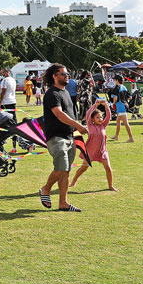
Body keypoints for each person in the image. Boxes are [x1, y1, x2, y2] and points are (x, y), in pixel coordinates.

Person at [39, 63, 88, 212]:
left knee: (66, 171)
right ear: (55, 76)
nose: (67, 77)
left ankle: (63, 203)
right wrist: (78, 125)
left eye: (67, 74)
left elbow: (70, 112)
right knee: (62, 167)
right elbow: (59, 114)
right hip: (56, 137)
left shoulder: (66, 92)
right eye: (63, 74)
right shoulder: (51, 94)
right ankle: (46, 189)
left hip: (69, 136)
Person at [70, 99, 117, 191]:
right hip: (90, 152)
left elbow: (108, 116)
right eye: (98, 117)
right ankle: (74, 180)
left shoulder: (103, 125)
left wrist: (106, 106)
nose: (100, 119)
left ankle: (110, 186)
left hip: (102, 152)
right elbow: (88, 115)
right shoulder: (90, 126)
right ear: (92, 119)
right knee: (83, 168)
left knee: (108, 168)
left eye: (101, 117)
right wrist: (94, 106)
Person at [0, 68, 19, 153]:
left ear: (5, 72)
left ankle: (1, 144)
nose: (1, 74)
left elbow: (3, 93)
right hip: (13, 101)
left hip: (6, 102)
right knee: (13, 122)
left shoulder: (5, 81)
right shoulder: (13, 80)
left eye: (1, 72)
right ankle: (14, 147)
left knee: (2, 123)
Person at [110, 75, 134, 143]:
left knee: (126, 123)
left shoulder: (117, 88)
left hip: (121, 106)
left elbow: (115, 98)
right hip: (125, 105)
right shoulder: (124, 87)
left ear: (117, 80)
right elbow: (130, 97)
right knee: (118, 121)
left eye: (115, 80)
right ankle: (116, 136)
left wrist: (113, 104)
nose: (114, 81)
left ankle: (131, 138)